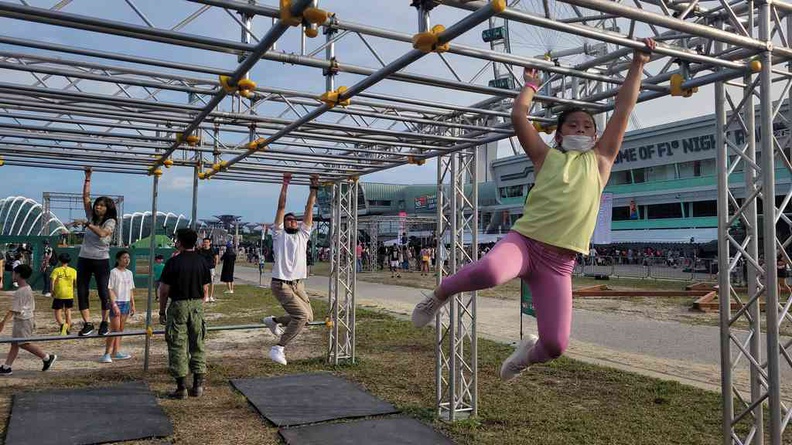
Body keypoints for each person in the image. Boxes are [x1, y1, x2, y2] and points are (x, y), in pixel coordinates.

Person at [412, 38, 656, 382]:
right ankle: (439, 295)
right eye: (573, 125)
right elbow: (517, 115)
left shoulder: (602, 160)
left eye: (587, 126)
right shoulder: (546, 157)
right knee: (491, 273)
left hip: (560, 263)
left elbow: (623, 109)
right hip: (525, 242)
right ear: (557, 135)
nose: (581, 130)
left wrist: (638, 64)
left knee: (556, 345)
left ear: (596, 134)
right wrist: (530, 85)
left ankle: (526, 354)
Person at [262, 173, 318, 366]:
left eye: (294, 220)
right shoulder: (278, 235)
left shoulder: (303, 234)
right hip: (281, 284)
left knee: (308, 318)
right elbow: (281, 207)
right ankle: (278, 347)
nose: (292, 222)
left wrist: (314, 187)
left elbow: (309, 207)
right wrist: (285, 184)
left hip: (298, 285)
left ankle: (273, 320)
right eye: (288, 220)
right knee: (301, 316)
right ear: (283, 224)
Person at [159, 228, 211, 399]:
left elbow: (164, 290)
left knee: (177, 344)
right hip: (197, 305)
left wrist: (162, 311)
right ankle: (198, 385)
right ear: (195, 242)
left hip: (178, 304)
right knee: (198, 343)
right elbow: (205, 288)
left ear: (179, 242)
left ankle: (181, 387)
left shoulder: (173, 262)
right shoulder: (202, 261)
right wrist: (199, 304)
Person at [75, 167, 118, 337]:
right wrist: (87, 178)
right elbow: (85, 198)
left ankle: (104, 322)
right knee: (82, 290)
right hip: (84, 258)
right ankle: (87, 323)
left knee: (103, 291)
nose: (98, 207)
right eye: (97, 205)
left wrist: (86, 224)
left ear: (107, 209)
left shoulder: (111, 222)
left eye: (101, 205)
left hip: (101, 260)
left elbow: (101, 234)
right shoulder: (91, 216)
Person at [0, 265, 58, 375]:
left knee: (23, 343)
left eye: (13, 273)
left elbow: (13, 310)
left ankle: (47, 357)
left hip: (24, 320)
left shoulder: (21, 291)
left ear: (18, 275)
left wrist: (3, 323)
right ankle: (6, 367)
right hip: (23, 319)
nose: (12, 275)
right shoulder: (26, 288)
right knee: (15, 344)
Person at [101, 250, 135, 363]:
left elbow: (131, 290)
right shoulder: (113, 272)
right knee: (115, 329)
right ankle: (107, 354)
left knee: (120, 329)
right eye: (124, 257)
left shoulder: (129, 273)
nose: (127, 260)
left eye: (128, 258)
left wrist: (132, 304)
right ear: (118, 259)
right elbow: (109, 288)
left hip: (126, 303)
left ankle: (117, 351)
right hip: (117, 303)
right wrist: (114, 304)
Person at [50, 253, 77, 336]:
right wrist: (73, 290)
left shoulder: (56, 270)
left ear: (59, 260)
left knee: (57, 311)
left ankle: (62, 325)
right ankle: (67, 329)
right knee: (68, 311)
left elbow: (52, 281)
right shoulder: (73, 271)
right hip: (69, 294)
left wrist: (52, 290)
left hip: (59, 294)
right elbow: (75, 283)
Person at [197, 237, 219, 302]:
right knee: (204, 283)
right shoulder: (200, 250)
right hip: (202, 268)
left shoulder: (213, 250)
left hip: (211, 268)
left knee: (212, 282)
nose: (205, 243)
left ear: (210, 243)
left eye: (207, 242)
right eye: (204, 242)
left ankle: (211, 296)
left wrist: (215, 266)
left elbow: (216, 258)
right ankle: (205, 296)